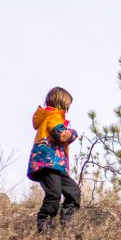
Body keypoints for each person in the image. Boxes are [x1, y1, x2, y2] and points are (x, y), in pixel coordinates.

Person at [27, 86, 80, 232]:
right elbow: (61, 135)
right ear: (62, 103)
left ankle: (66, 220)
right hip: (47, 163)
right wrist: (73, 133)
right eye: (68, 105)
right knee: (54, 194)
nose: (68, 108)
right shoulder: (54, 116)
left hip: (56, 165)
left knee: (73, 191)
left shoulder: (51, 116)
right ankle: (45, 224)